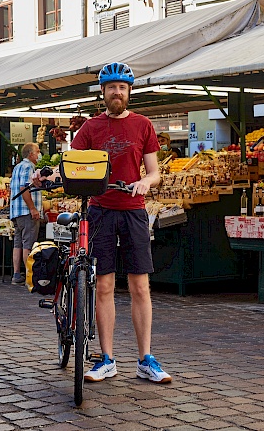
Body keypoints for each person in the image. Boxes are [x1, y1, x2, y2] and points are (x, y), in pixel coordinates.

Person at [70, 62, 172, 384]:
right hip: (100, 211)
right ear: (103, 93)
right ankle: (107, 359)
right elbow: (73, 164)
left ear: (129, 92)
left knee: (140, 285)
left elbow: (155, 172)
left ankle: (145, 359)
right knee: (104, 285)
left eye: (123, 87)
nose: (117, 92)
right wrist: (50, 174)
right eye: (112, 87)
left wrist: (146, 182)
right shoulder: (89, 128)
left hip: (134, 211)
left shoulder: (143, 125)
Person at [9, 142, 42, 285]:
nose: (39, 154)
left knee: (18, 243)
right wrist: (33, 208)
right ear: (31, 154)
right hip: (26, 212)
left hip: (16, 212)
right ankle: (29, 277)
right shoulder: (28, 167)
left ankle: (17, 274)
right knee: (28, 244)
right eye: (37, 152)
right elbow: (24, 187)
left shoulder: (17, 167)